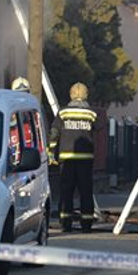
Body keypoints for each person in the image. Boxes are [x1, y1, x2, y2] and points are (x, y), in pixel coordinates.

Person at [49, 82, 97, 233]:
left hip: (67, 159)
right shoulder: (91, 114)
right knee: (86, 191)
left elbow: (55, 133)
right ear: (86, 95)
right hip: (86, 160)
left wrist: (51, 152)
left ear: (70, 94)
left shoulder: (63, 113)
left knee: (66, 191)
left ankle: (66, 222)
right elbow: (95, 132)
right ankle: (86, 223)